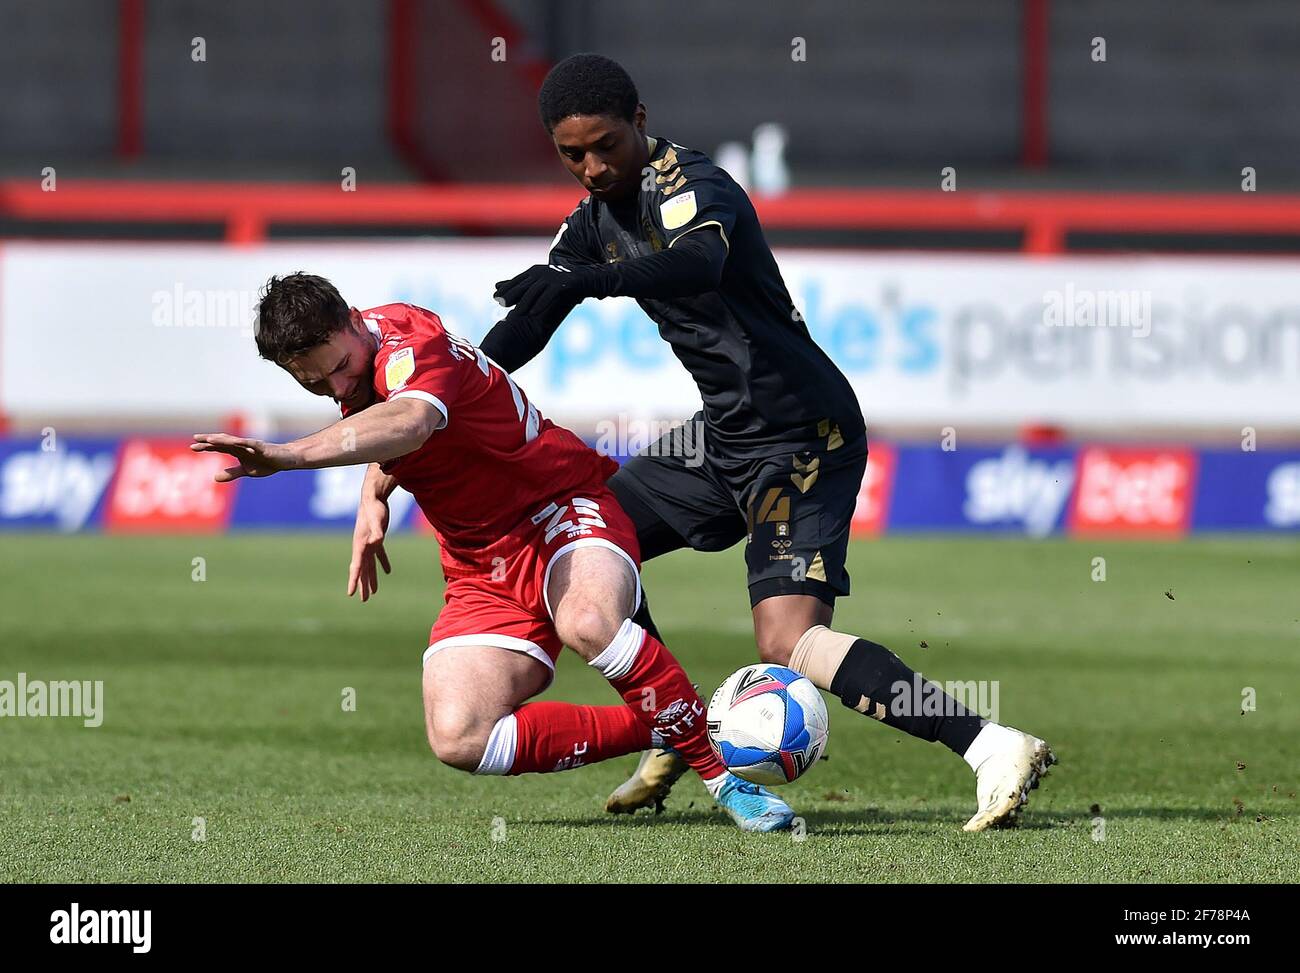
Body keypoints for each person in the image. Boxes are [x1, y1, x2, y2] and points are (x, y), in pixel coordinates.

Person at [481, 54, 1056, 832]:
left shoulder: (693, 186)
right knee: (590, 541)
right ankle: (674, 717)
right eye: (571, 155)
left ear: (640, 122)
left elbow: (698, 264)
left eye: (605, 145)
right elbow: (532, 318)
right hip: (722, 437)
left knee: (789, 640)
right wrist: (450, 390)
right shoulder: (594, 219)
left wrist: (587, 283)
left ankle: (990, 743)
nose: (591, 167)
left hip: (801, 437)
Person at [191, 272, 795, 832]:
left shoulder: (409, 343)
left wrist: (289, 456)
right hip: (480, 563)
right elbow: (389, 425)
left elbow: (409, 422)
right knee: (459, 736)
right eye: (315, 383)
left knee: (589, 622)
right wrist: (373, 495)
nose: (336, 386)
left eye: (339, 370)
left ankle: (725, 783)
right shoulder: (357, 351)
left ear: (352, 319)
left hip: (560, 508)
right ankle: (670, 721)